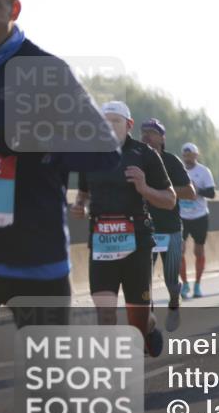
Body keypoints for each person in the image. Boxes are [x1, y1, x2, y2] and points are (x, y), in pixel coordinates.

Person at [0, 0, 121, 413]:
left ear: (12, 7)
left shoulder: (45, 72)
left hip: (36, 263)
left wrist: (47, 143)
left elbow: (104, 155)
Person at [71, 101, 176, 343]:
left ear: (128, 125)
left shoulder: (144, 154)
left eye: (115, 122)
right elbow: (83, 195)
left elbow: (170, 200)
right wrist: (81, 208)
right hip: (101, 243)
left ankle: (148, 327)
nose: (108, 126)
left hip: (137, 243)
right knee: (105, 314)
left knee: (138, 321)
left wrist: (144, 188)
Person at [140, 118, 196, 331]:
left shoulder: (171, 161)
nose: (146, 135)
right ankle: (147, 324)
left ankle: (175, 299)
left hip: (170, 229)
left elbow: (190, 193)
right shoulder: (136, 159)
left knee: (171, 280)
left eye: (152, 132)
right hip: (144, 228)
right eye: (143, 131)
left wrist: (162, 191)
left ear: (162, 138)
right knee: (143, 282)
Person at [179, 142, 215, 298]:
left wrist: (197, 190)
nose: (187, 158)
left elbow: (212, 193)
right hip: (181, 215)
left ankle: (198, 285)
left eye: (190, 155)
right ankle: (185, 284)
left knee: (198, 251)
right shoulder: (177, 170)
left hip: (199, 215)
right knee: (179, 250)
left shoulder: (204, 171)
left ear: (196, 155)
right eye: (185, 155)